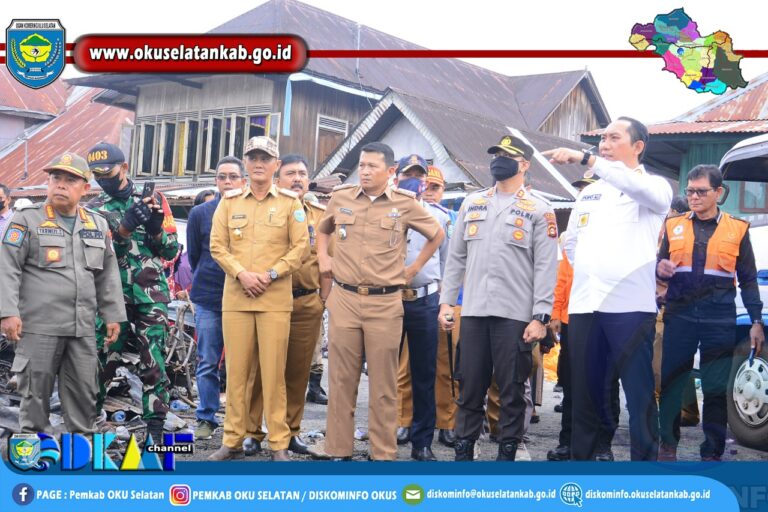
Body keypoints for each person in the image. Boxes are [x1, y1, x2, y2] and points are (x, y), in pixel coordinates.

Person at [543, 117, 673, 461]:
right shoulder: (590, 193)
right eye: (602, 139)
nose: (604, 144)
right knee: (584, 394)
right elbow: (572, 243)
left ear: (638, 146)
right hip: (585, 307)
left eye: (614, 138)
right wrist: (593, 270)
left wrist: (587, 159)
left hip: (630, 309)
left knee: (638, 394)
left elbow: (634, 186)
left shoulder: (654, 186)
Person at [317, 142, 443, 461]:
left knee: (384, 384)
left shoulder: (405, 203)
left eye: (372, 166)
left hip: (385, 303)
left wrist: (413, 269)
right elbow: (323, 229)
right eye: (362, 165)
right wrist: (323, 258)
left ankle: (382, 453)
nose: (364, 171)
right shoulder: (342, 197)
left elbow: (436, 235)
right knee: (341, 380)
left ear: (390, 171)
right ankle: (338, 450)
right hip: (345, 297)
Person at [439, 135, 559, 461]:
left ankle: (506, 459)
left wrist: (541, 317)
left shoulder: (540, 210)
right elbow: (456, 257)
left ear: (524, 164)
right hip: (475, 312)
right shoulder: (473, 203)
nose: (498, 161)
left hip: (515, 315)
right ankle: (464, 456)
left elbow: (546, 267)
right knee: (469, 388)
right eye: (495, 156)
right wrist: (447, 302)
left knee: (511, 392)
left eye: (507, 156)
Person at [0, 153, 125, 433]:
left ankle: (79, 451)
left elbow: (107, 273)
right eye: (56, 178)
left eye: (70, 180)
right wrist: (7, 312)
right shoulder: (26, 220)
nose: (60, 185)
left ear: (85, 187)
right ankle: (33, 451)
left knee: (84, 395)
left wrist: (113, 315)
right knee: (34, 396)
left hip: (82, 328)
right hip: (38, 327)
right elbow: (6, 267)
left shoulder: (96, 224)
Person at [209, 136, 309, 462]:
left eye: (265, 158)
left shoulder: (291, 204)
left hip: (274, 300)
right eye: (253, 158)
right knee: (236, 374)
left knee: (273, 374)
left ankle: (278, 443)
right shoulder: (229, 202)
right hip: (237, 299)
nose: (258, 164)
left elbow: (300, 248)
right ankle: (232, 440)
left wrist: (270, 274)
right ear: (246, 163)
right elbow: (217, 246)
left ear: (276, 165)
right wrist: (242, 274)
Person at [657, 164, 764, 461]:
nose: (693, 197)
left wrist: (756, 320)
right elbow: (660, 268)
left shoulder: (737, 229)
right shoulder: (673, 226)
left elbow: (748, 279)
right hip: (680, 315)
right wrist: (659, 271)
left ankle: (712, 452)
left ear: (718, 192)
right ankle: (667, 446)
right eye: (690, 191)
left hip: (719, 318)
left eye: (701, 192)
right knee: (672, 382)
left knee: (715, 387)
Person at [86, 142, 178, 443]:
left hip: (151, 294)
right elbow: (97, 256)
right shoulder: (94, 209)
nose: (103, 180)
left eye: (108, 173)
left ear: (124, 168)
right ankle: (90, 423)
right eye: (97, 175)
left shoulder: (153, 199)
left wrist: (155, 230)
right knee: (103, 357)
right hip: (111, 295)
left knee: (154, 360)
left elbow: (170, 251)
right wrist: (123, 231)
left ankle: (156, 429)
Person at [248, 154, 332, 456]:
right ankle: (253, 432)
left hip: (305, 302)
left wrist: (322, 300)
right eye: (291, 173)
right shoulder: (261, 209)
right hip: (267, 300)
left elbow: (328, 261)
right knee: (260, 371)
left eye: (302, 174)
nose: (297, 179)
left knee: (297, 372)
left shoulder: (320, 216)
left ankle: (291, 432)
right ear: (277, 178)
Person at [547, 173, 620, 462]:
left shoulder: (617, 230)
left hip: (606, 317)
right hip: (573, 318)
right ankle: (568, 441)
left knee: (605, 384)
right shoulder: (573, 235)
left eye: (588, 190)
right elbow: (563, 278)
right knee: (571, 384)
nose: (584, 194)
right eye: (581, 190)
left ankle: (603, 445)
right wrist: (556, 312)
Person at [390, 155, 451, 461]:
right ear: (396, 177)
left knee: (424, 373)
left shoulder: (439, 217)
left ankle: (422, 442)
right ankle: (386, 435)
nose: (414, 180)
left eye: (419, 176)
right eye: (408, 174)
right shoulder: (384, 210)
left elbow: (449, 263)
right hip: (389, 299)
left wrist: (445, 303)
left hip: (425, 300)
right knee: (386, 372)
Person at [187, 159, 246, 441]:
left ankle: (240, 421)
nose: (227, 182)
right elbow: (195, 256)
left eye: (233, 176)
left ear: (243, 181)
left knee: (241, 363)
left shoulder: (251, 211)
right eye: (222, 177)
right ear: (216, 181)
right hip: (208, 297)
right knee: (208, 361)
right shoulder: (200, 213)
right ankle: (206, 418)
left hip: (244, 296)